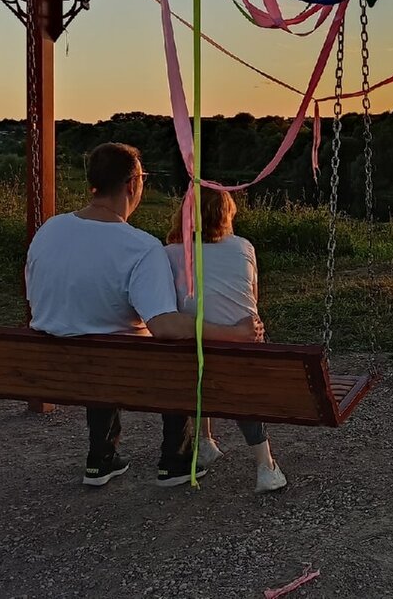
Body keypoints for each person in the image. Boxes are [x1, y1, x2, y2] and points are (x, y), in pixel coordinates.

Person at [26, 142, 263, 488]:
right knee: (172, 346)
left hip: (51, 366)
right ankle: (175, 461)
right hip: (119, 369)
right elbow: (165, 325)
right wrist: (236, 334)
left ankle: (101, 458)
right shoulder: (140, 247)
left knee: (101, 339)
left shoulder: (49, 230)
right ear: (132, 184)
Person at [165, 189, 288, 493]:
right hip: (240, 350)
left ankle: (205, 441)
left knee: (200, 352)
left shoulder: (169, 253)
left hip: (193, 353)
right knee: (239, 376)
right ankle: (265, 466)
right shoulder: (243, 247)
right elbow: (252, 303)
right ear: (226, 214)